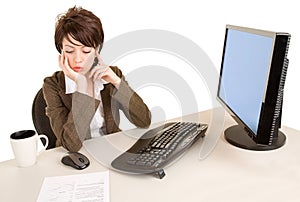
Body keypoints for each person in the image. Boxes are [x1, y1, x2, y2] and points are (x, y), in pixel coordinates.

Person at [43, 6, 151, 152]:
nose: (78, 59)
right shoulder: (53, 85)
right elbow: (70, 145)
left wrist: (117, 82)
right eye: (69, 51)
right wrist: (83, 86)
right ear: (60, 51)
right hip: (78, 157)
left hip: (113, 149)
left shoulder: (111, 74)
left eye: (86, 51)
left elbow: (144, 121)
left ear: (97, 50)